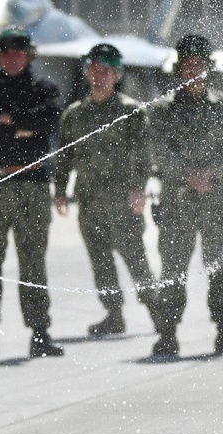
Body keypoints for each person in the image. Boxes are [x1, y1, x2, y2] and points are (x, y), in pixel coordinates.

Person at [0, 26, 64, 359]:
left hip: (30, 187)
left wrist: (8, 121)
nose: (12, 58)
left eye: (19, 51)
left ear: (29, 54)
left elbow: (47, 124)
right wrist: (20, 128)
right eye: (5, 52)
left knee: (33, 263)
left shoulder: (45, 89)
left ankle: (40, 332)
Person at [149, 34, 223, 357]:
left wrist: (210, 172)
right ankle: (167, 334)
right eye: (188, 65)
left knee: (219, 265)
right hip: (177, 201)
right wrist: (188, 174)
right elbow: (159, 153)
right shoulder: (162, 110)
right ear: (179, 69)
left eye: (200, 64)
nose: (194, 70)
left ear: (209, 67)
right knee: (173, 267)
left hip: (216, 201)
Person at [53, 44, 158, 337]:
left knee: (136, 259)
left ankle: (158, 312)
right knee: (101, 262)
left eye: (106, 71)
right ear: (87, 73)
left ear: (116, 75)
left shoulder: (130, 111)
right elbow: (65, 156)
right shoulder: (75, 114)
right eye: (94, 70)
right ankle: (113, 315)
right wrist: (60, 191)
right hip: (89, 200)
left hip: (123, 201)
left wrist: (139, 189)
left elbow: (144, 155)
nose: (99, 76)